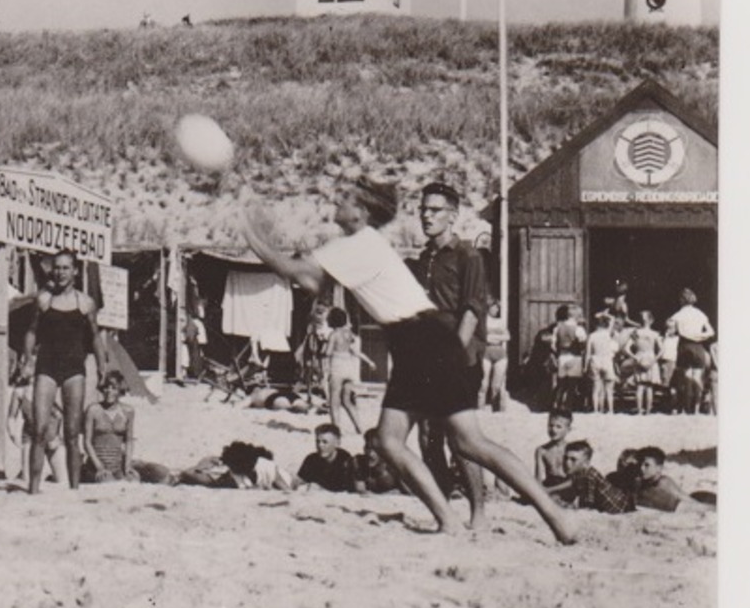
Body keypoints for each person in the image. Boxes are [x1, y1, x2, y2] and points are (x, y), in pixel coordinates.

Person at [243, 178, 575, 542]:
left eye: (347, 198)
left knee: (453, 442)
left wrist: (254, 234)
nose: (337, 201)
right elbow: (312, 283)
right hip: (420, 341)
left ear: (362, 212)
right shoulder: (360, 247)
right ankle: (509, 518)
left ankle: (501, 517)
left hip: (423, 342)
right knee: (414, 441)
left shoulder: (360, 245)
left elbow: (295, 272)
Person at [408, 181, 490, 523]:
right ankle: (444, 510)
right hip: (428, 358)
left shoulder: (467, 255)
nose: (427, 216)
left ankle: (478, 512)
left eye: (435, 210)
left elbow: (471, 310)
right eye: (423, 209)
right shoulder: (424, 259)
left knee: (462, 439)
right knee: (429, 437)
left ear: (452, 216)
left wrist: (454, 357)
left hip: (460, 358)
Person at [24, 249, 104, 493]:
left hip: (73, 369)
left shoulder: (86, 303)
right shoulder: (43, 300)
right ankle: (33, 490)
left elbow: (95, 336)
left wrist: (102, 365)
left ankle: (74, 491)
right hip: (46, 366)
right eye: (56, 267)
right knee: (39, 429)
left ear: (75, 271)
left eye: (65, 268)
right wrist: (27, 359)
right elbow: (31, 332)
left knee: (71, 432)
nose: (60, 273)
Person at [320, 306, 375, 434]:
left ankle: (336, 429)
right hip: (348, 368)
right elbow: (355, 351)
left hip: (337, 367)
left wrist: (322, 352)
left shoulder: (333, 335)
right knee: (347, 400)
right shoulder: (348, 334)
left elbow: (328, 353)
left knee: (334, 401)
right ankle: (359, 427)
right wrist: (369, 361)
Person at [548, 441, 633, 514]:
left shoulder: (589, 476)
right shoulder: (580, 473)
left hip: (618, 510)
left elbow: (587, 507)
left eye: (573, 460)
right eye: (565, 458)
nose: (567, 463)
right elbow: (572, 482)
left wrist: (567, 506)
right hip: (617, 504)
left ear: (586, 463)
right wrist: (551, 490)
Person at [667, 288, 714, 415]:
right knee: (697, 378)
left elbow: (670, 331)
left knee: (686, 379)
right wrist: (698, 336)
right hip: (698, 346)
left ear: (682, 299)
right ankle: (697, 409)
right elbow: (711, 332)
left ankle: (687, 408)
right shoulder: (701, 314)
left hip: (685, 345)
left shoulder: (678, 315)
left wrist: (683, 333)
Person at [82, 371, 135, 482]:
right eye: (106, 387)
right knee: (107, 482)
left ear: (120, 390)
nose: (109, 391)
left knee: (134, 480)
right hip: (96, 465)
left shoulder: (128, 411)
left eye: (114, 388)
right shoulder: (93, 410)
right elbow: (86, 442)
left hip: (118, 465)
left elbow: (129, 441)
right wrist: (99, 467)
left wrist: (127, 466)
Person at [622, 310, 664, 415]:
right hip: (650, 357)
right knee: (649, 387)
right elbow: (662, 350)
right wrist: (655, 359)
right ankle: (649, 410)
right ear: (651, 321)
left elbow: (626, 348)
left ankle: (640, 410)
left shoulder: (636, 333)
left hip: (640, 357)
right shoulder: (655, 334)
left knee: (640, 386)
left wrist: (634, 357)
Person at [296, 423, 356, 492]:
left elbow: (348, 490)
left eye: (325, 442)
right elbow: (299, 482)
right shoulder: (311, 459)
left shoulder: (345, 460)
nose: (320, 445)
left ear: (337, 443)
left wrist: (320, 489)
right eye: (317, 441)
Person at [551, 305, 588, 412]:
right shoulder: (579, 329)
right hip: (575, 356)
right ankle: (567, 406)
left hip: (562, 356)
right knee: (572, 384)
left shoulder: (557, 328)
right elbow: (582, 343)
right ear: (576, 316)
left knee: (561, 383)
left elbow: (553, 345)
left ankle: (556, 404)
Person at [585, 312, 621, 415]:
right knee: (609, 389)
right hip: (607, 361)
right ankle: (610, 410)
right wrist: (605, 314)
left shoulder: (592, 336)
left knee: (596, 388)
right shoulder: (607, 333)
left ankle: (596, 410)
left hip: (595, 360)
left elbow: (588, 353)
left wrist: (585, 366)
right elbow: (613, 319)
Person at [631, 446, 687, 512]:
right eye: (640, 464)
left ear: (659, 468)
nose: (641, 468)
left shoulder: (664, 483)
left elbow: (690, 503)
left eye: (647, 465)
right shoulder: (642, 482)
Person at [480, 301, 510, 412]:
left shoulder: (500, 321)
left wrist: (491, 337)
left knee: (496, 385)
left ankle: (496, 409)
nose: (496, 310)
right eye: (494, 307)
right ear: (489, 308)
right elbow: (483, 337)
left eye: (498, 308)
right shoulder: (483, 321)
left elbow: (507, 337)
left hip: (500, 353)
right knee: (483, 383)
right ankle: (481, 408)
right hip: (486, 352)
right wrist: (497, 337)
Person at [352, 428, 400, 494]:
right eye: (368, 448)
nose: (370, 454)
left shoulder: (393, 464)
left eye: (375, 449)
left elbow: (410, 491)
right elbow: (360, 490)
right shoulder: (359, 462)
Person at [534, 409, 574, 486]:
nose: (553, 430)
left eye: (558, 427)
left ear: (568, 429)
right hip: (549, 485)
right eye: (550, 425)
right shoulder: (542, 450)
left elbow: (575, 478)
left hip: (567, 487)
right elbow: (538, 478)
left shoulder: (571, 449)